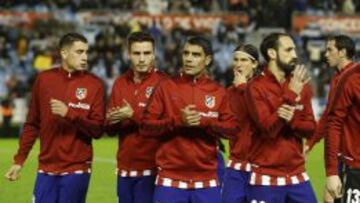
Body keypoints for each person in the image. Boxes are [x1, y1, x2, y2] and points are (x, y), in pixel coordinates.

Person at [4, 33, 105, 203]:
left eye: (86, 52)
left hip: (77, 169)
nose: (85, 57)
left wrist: (70, 114)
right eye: (79, 52)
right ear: (64, 53)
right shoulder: (44, 80)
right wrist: (19, 161)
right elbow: (32, 124)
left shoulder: (94, 84)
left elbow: (98, 130)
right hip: (46, 169)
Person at [140, 36, 237, 203]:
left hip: (207, 181)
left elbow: (232, 130)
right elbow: (146, 126)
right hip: (170, 180)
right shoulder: (166, 87)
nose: (189, 59)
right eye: (186, 53)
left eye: (196, 55)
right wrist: (178, 121)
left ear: (207, 60)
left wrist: (205, 123)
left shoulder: (218, 91)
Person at [245, 33, 317, 202]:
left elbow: (311, 129)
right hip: (265, 177)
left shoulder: (301, 85)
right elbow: (268, 130)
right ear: (272, 53)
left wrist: (291, 120)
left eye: (295, 50)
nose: (295, 55)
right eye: (289, 50)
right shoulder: (255, 88)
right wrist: (291, 95)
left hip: (297, 176)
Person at [105, 31, 167, 203]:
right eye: (136, 53)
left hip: (152, 170)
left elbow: (167, 126)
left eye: (146, 53)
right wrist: (111, 120)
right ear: (128, 55)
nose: (141, 59)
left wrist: (133, 115)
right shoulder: (120, 83)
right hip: (124, 170)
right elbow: (110, 130)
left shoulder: (164, 83)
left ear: (154, 54)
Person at [221, 44, 260, 203]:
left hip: (260, 167)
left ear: (255, 64)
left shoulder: (263, 89)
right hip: (235, 166)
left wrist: (244, 88)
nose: (238, 64)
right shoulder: (229, 92)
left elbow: (260, 119)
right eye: (236, 59)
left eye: (243, 60)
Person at [324, 35, 360, 202]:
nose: (325, 54)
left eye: (329, 49)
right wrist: (331, 171)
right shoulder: (350, 78)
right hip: (355, 166)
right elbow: (332, 122)